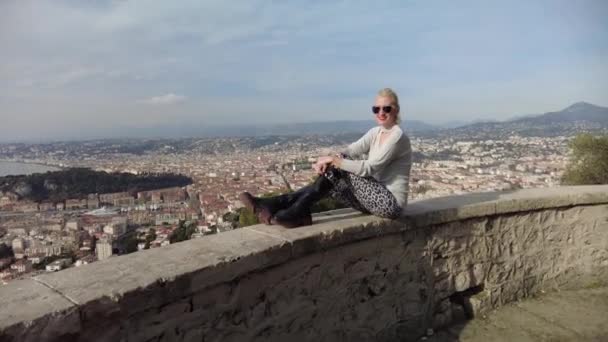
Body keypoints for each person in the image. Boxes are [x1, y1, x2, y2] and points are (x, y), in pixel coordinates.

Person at [240, 88, 412, 228]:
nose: (381, 112)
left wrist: (333, 161)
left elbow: (369, 168)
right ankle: (296, 212)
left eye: (386, 108)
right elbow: (351, 149)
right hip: (372, 201)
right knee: (332, 177)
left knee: (337, 169)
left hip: (391, 204)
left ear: (395, 110)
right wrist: (334, 158)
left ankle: (279, 205)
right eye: (376, 109)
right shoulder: (376, 132)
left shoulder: (397, 137)